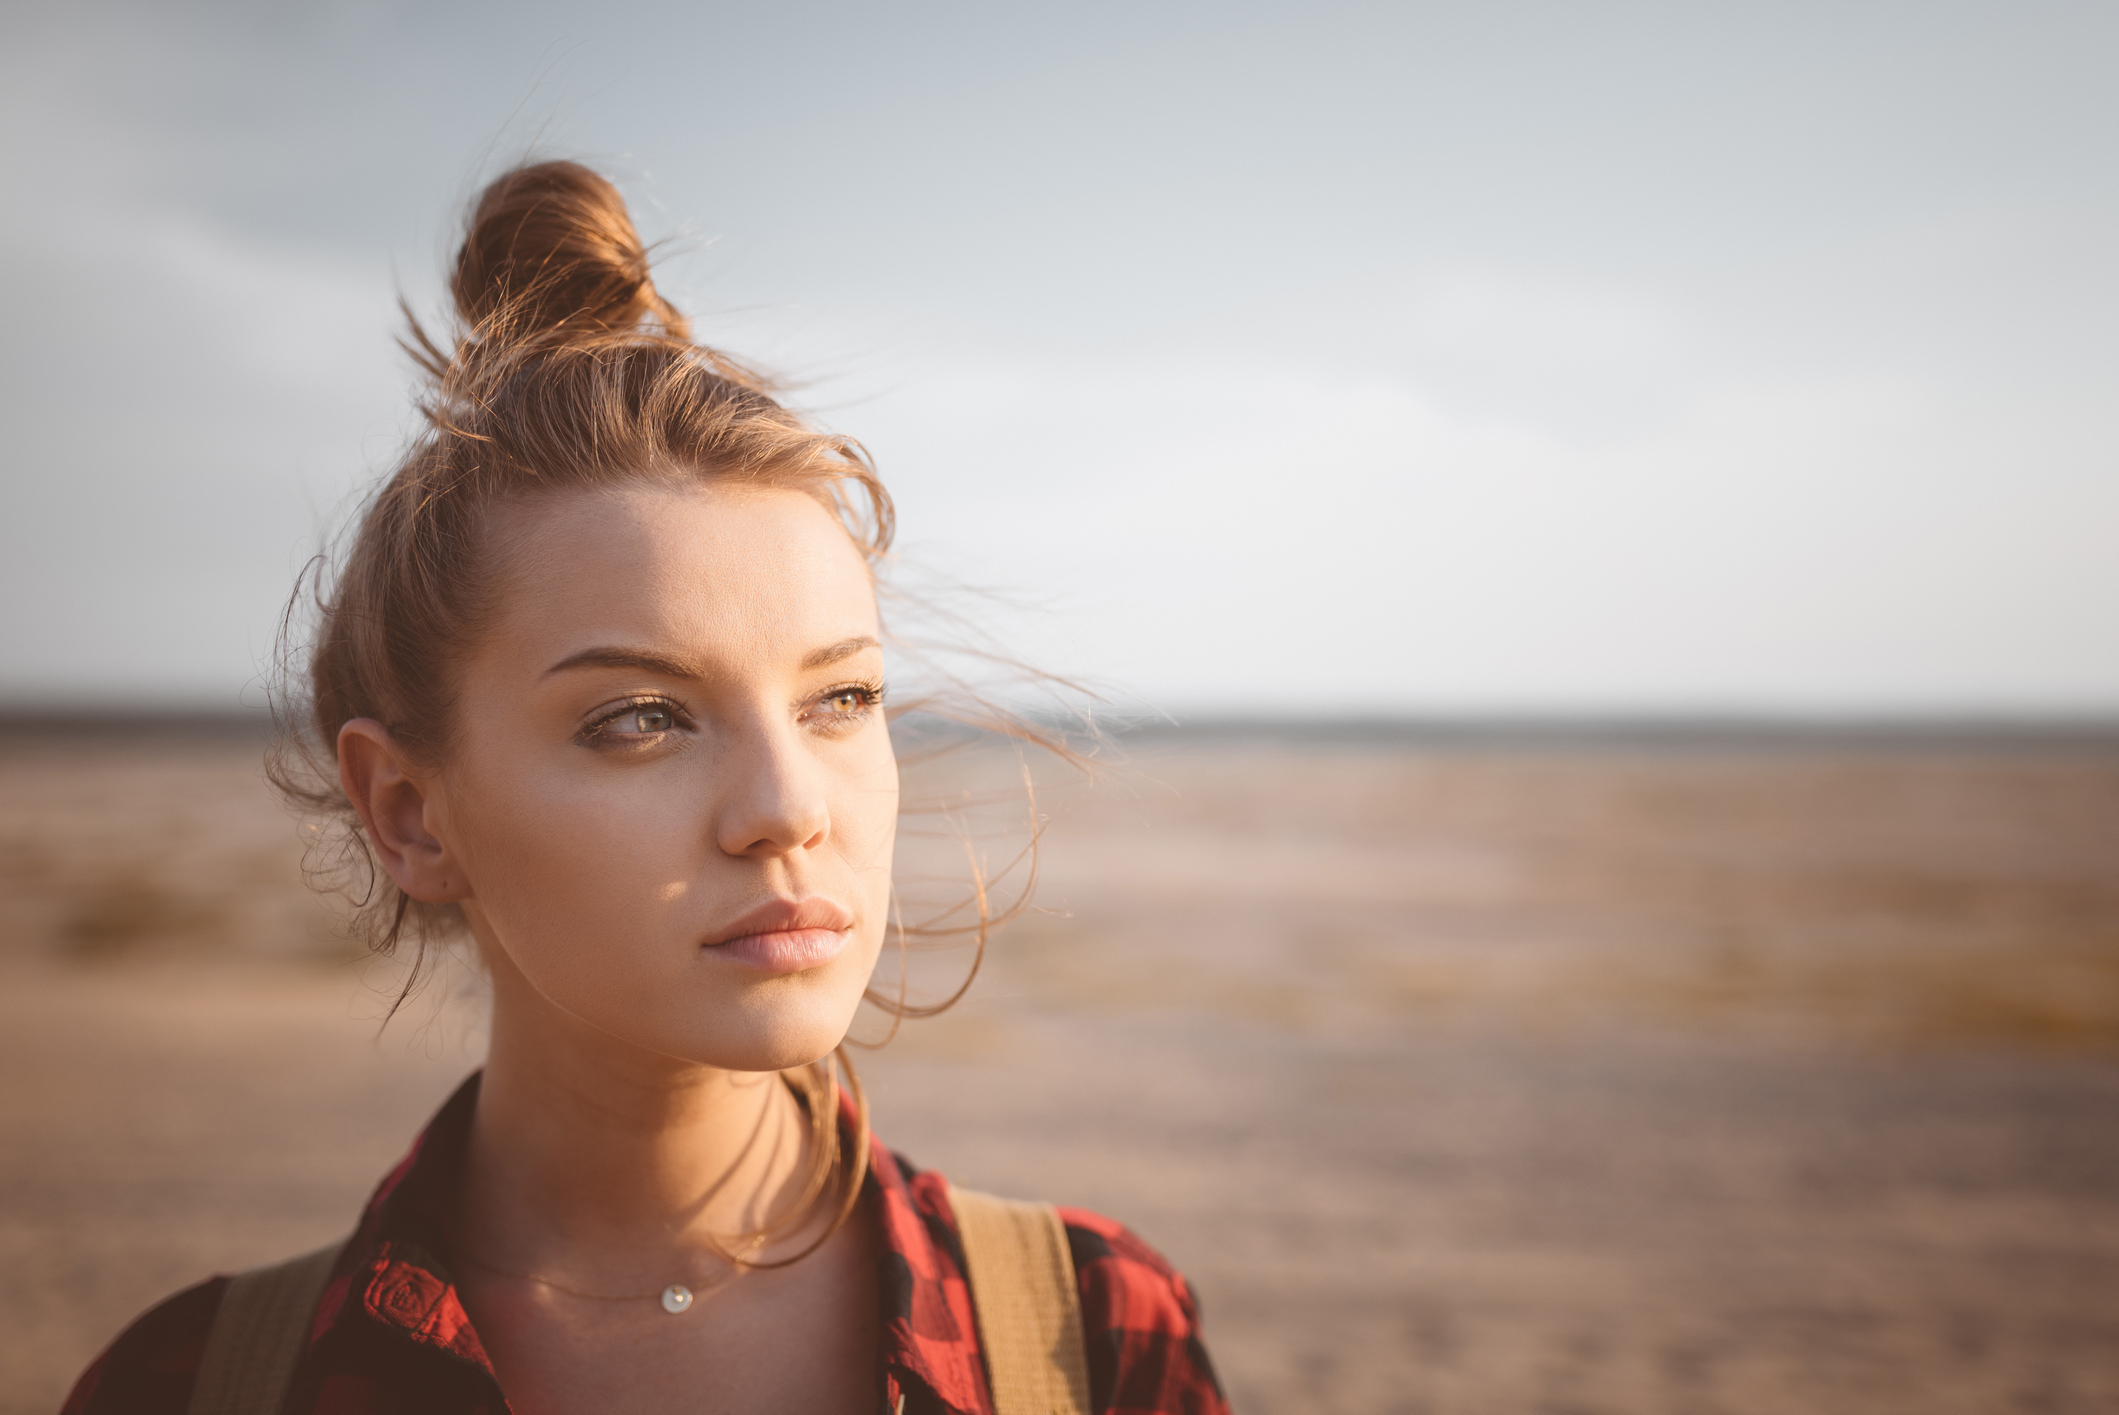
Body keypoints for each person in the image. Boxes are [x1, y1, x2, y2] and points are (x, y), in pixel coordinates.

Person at [62, 161, 1227, 1415]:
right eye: (640, 718)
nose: (789, 808)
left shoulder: (1090, 1335)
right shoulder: (199, 1382)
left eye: (839, 699)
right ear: (408, 812)